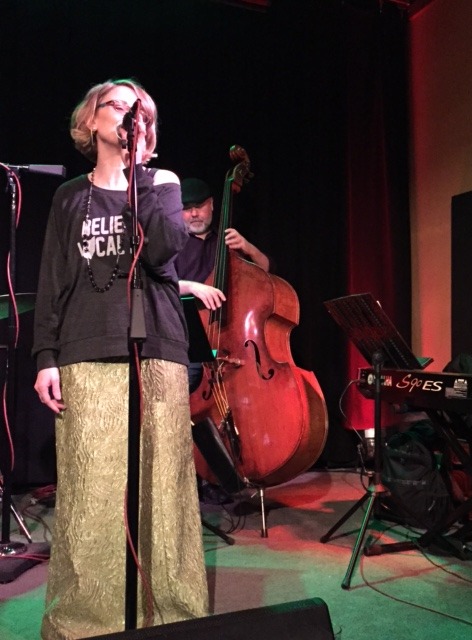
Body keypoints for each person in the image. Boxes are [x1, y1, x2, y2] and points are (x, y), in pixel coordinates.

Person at [32, 79, 209, 639]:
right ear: (91, 120)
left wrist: (140, 176)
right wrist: (45, 355)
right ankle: (85, 622)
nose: (132, 116)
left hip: (156, 347)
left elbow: (163, 249)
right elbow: (53, 279)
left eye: (142, 112)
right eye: (119, 106)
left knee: (162, 487)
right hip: (85, 348)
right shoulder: (69, 197)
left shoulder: (162, 183)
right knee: (90, 492)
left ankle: (171, 615)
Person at [175, 177, 271, 392]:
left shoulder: (227, 242)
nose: (194, 213)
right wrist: (193, 287)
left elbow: (265, 272)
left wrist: (248, 248)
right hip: (187, 340)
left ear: (211, 204)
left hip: (232, 341)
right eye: (187, 208)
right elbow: (161, 285)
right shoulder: (172, 245)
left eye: (199, 206)